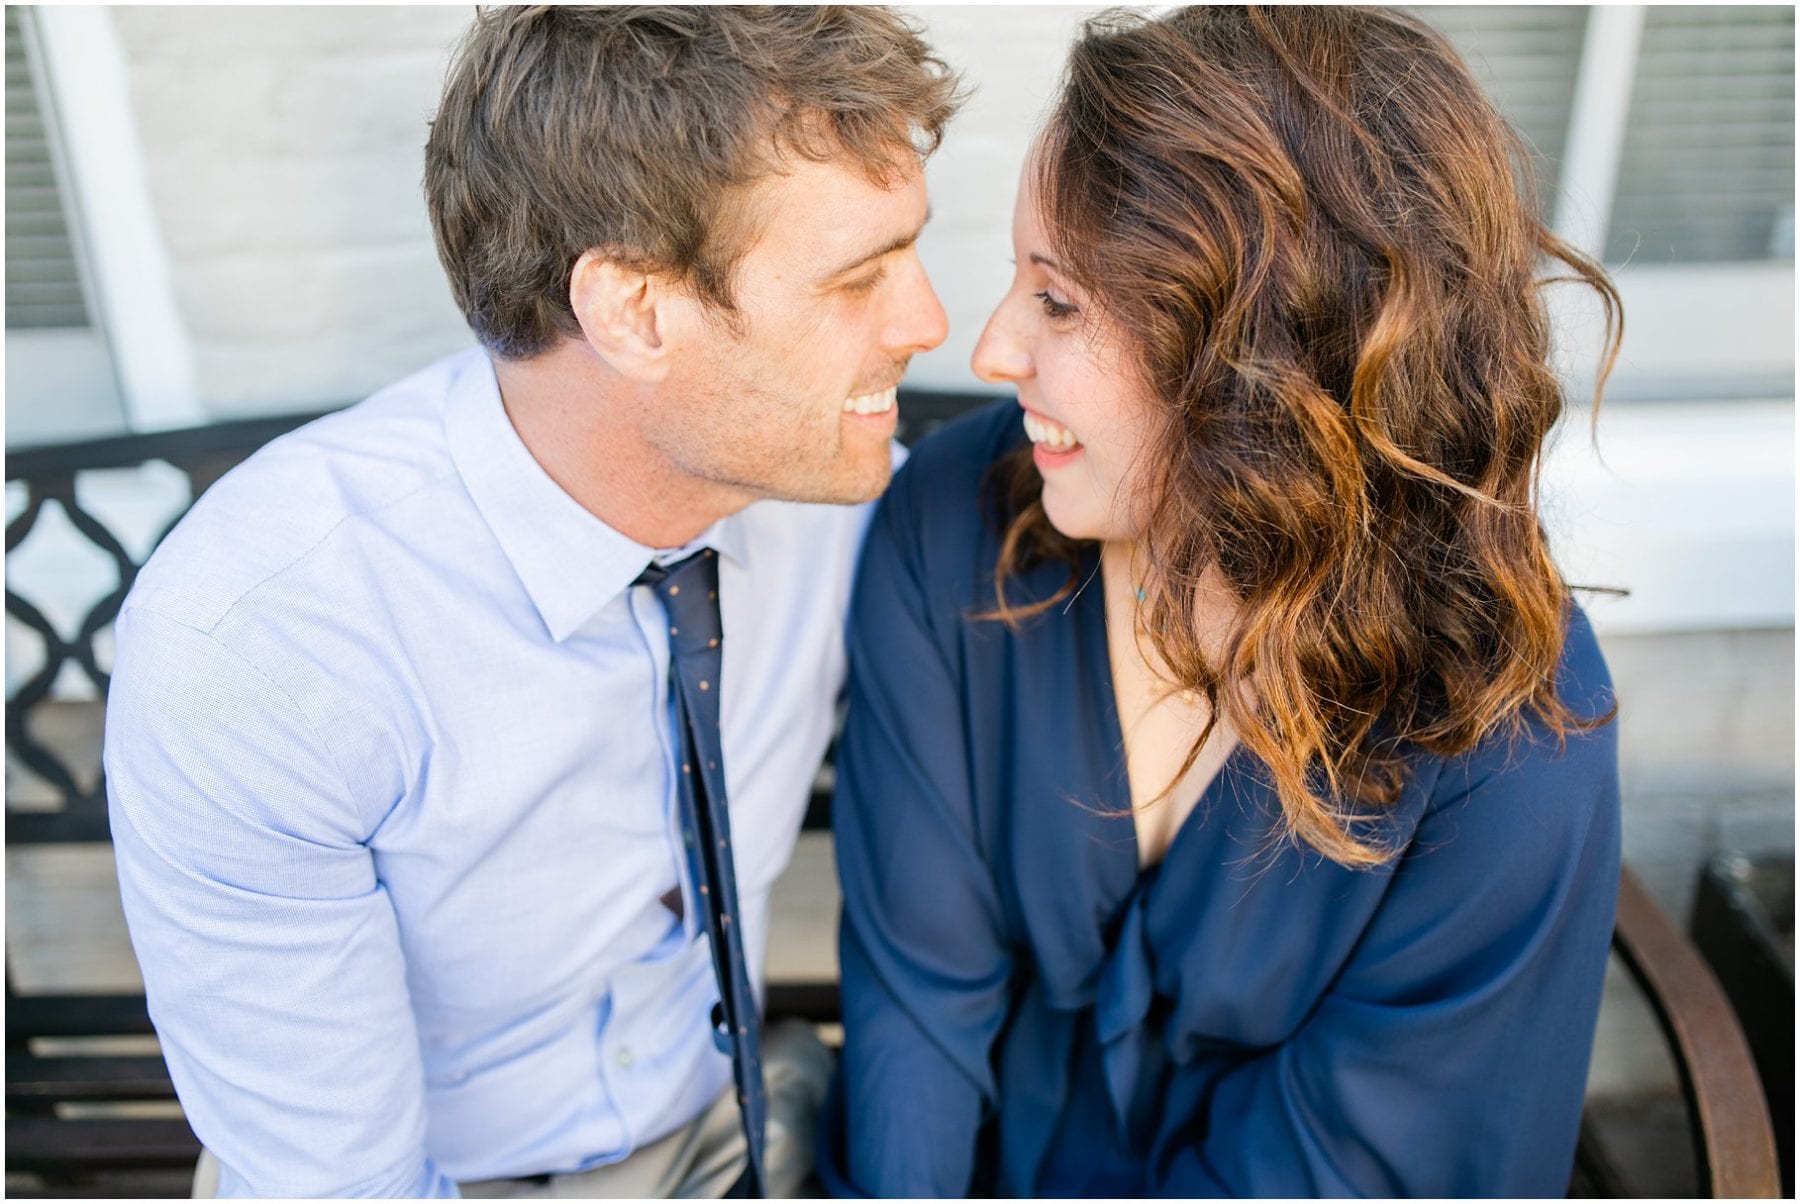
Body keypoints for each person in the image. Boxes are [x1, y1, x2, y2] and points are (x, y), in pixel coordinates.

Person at [103, 7, 958, 1197]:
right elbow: (332, 1178)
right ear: (635, 311)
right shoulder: (264, 650)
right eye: (858, 278)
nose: (927, 324)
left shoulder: (837, 492)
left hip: (743, 1116)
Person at [823, 6, 1623, 1197]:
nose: (989, 350)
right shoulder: (954, 522)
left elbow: (1359, 1164)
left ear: (1257, 362)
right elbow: (913, 1017)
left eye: (1059, 303)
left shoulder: (1508, 725)